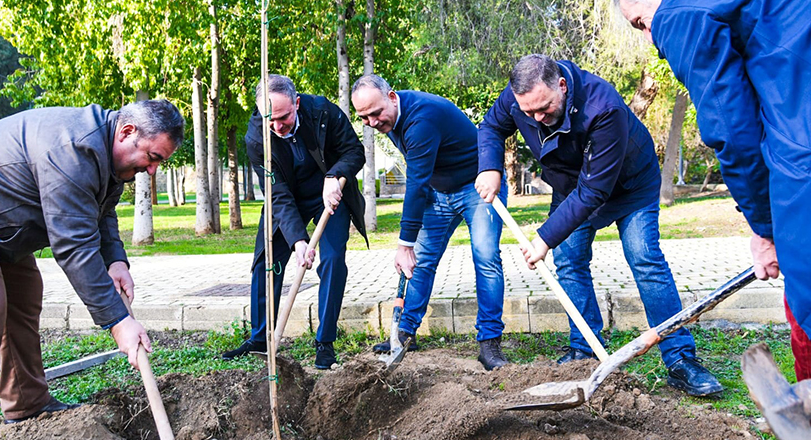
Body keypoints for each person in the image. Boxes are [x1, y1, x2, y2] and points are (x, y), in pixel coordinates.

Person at [0, 100, 184, 439]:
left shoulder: (106, 154)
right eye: (153, 158)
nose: (152, 171)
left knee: (24, 296)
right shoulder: (73, 148)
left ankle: (26, 402)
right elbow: (73, 245)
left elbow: (101, 209)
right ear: (127, 132)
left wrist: (116, 262)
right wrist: (118, 322)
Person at [475, 54, 722, 396]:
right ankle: (585, 350)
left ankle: (680, 359)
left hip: (629, 184)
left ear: (561, 85)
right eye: (528, 113)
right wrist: (490, 166)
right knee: (570, 262)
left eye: (544, 109)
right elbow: (490, 126)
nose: (537, 119)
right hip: (570, 185)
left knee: (644, 259)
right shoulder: (521, 94)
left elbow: (593, 191)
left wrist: (545, 238)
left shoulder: (603, 106)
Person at [615, 0, 811, 383]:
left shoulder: (678, 12)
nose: (648, 37)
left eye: (640, 22)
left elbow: (732, 128)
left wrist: (765, 229)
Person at [351, 74, 509, 371]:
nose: (372, 122)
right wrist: (411, 247)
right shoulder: (391, 118)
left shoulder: (422, 118)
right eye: (364, 117)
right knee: (421, 263)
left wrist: (404, 243)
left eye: (375, 112)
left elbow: (416, 182)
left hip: (477, 187)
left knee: (486, 259)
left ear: (392, 97)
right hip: (439, 191)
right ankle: (405, 333)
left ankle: (490, 342)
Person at [221, 75, 367, 369]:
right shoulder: (256, 138)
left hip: (330, 193)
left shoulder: (323, 112)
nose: (276, 126)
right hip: (287, 198)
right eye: (269, 119)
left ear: (297, 104)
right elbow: (276, 193)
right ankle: (261, 338)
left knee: (333, 259)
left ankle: (325, 342)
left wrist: (334, 176)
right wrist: (298, 240)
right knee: (267, 261)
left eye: (283, 117)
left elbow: (355, 151)